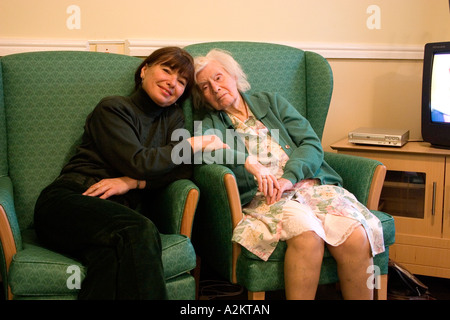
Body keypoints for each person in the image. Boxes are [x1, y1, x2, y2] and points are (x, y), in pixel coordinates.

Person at [34, 47, 227, 300]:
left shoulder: (172, 118)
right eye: (167, 71)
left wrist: (130, 183)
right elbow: (139, 162)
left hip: (116, 214)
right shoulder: (113, 108)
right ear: (144, 70)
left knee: (110, 263)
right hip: (69, 201)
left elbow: (183, 170)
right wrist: (189, 145)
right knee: (140, 230)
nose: (172, 83)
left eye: (181, 82)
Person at [192, 49, 385, 300]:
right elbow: (206, 152)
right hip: (268, 198)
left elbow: (311, 143)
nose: (215, 88)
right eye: (205, 87)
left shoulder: (271, 102)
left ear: (234, 76)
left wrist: (289, 178)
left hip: (312, 187)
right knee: (307, 234)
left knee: (356, 236)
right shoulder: (211, 123)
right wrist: (249, 162)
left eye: (218, 78)